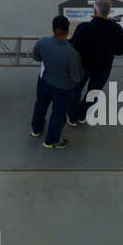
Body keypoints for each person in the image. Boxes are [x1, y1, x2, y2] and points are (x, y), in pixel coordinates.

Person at [66, 0, 123, 125]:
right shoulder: (117, 29)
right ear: (109, 12)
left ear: (94, 10)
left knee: (75, 90)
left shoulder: (83, 28)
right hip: (103, 68)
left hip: (83, 66)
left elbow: (73, 47)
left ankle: (72, 117)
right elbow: (120, 50)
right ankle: (82, 115)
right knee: (93, 92)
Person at [30, 15, 84, 148]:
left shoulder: (43, 42)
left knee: (40, 105)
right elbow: (77, 77)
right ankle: (52, 140)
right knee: (58, 114)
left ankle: (36, 129)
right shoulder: (71, 53)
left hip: (44, 81)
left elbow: (36, 56)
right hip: (62, 88)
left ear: (53, 29)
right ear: (67, 31)